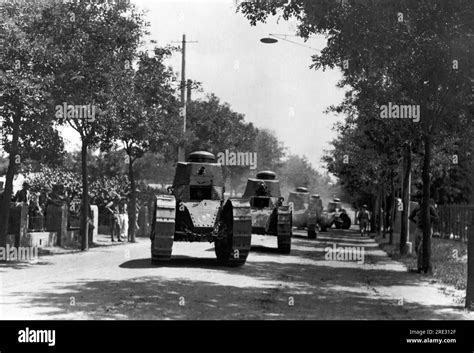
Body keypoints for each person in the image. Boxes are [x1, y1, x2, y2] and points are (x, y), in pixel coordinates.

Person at [409, 194, 439, 273]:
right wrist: (416, 222)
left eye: (420, 199)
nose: (419, 200)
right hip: (418, 229)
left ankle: (421, 268)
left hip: (427, 230)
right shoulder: (417, 207)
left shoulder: (430, 207)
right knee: (416, 248)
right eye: (417, 199)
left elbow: (437, 218)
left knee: (420, 249)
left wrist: (428, 216)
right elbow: (410, 217)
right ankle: (422, 265)